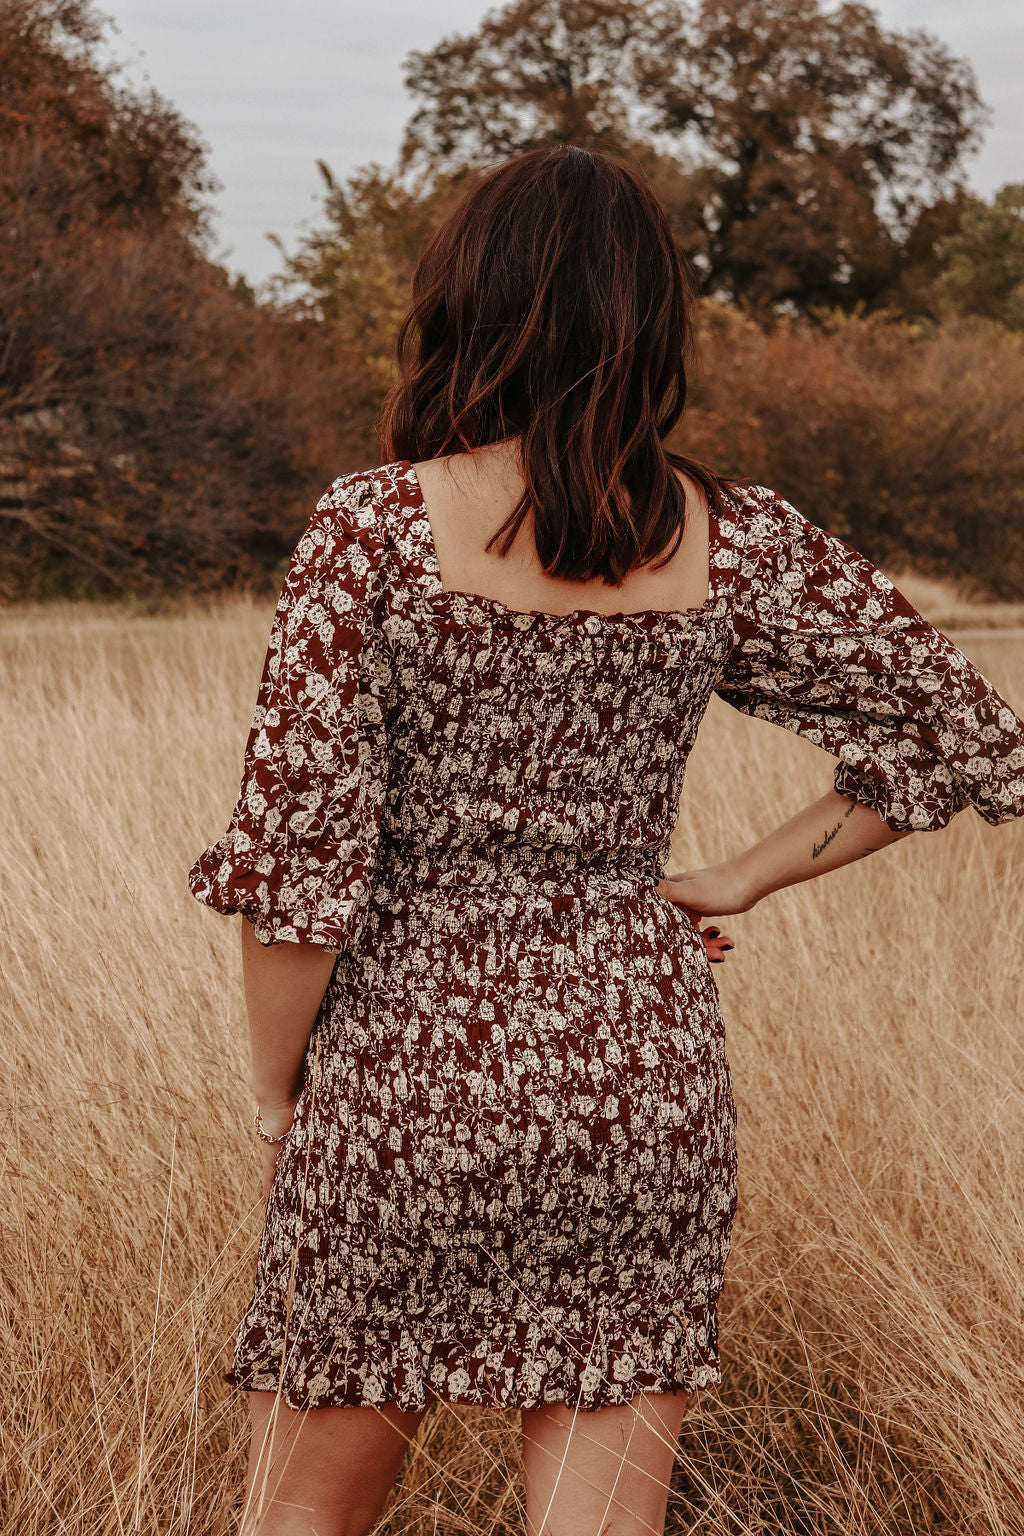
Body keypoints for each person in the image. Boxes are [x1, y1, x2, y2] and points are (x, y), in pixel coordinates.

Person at [187, 144, 1024, 1536]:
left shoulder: (373, 531)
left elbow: (296, 871)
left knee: (303, 1522)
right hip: (643, 1075)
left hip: (406, 1074)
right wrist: (733, 874)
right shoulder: (730, 535)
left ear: (464, 301)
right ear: (653, 319)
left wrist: (283, 1096)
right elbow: (966, 732)